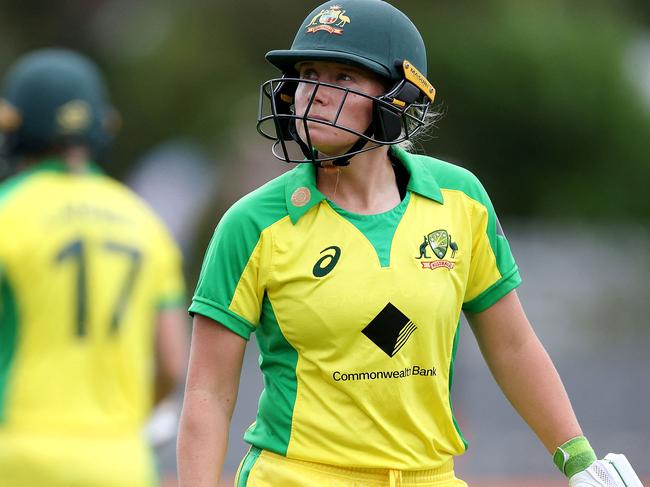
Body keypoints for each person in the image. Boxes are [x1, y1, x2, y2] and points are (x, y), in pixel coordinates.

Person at [177, 1, 643, 486]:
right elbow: (209, 392)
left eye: (342, 79)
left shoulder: (461, 200)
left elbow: (512, 345)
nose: (312, 94)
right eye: (308, 74)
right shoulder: (251, 224)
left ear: (398, 98)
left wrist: (580, 459)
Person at [0, 48, 189, 487]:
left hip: (17, 455)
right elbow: (172, 363)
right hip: (119, 461)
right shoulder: (145, 221)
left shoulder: (8, 211)